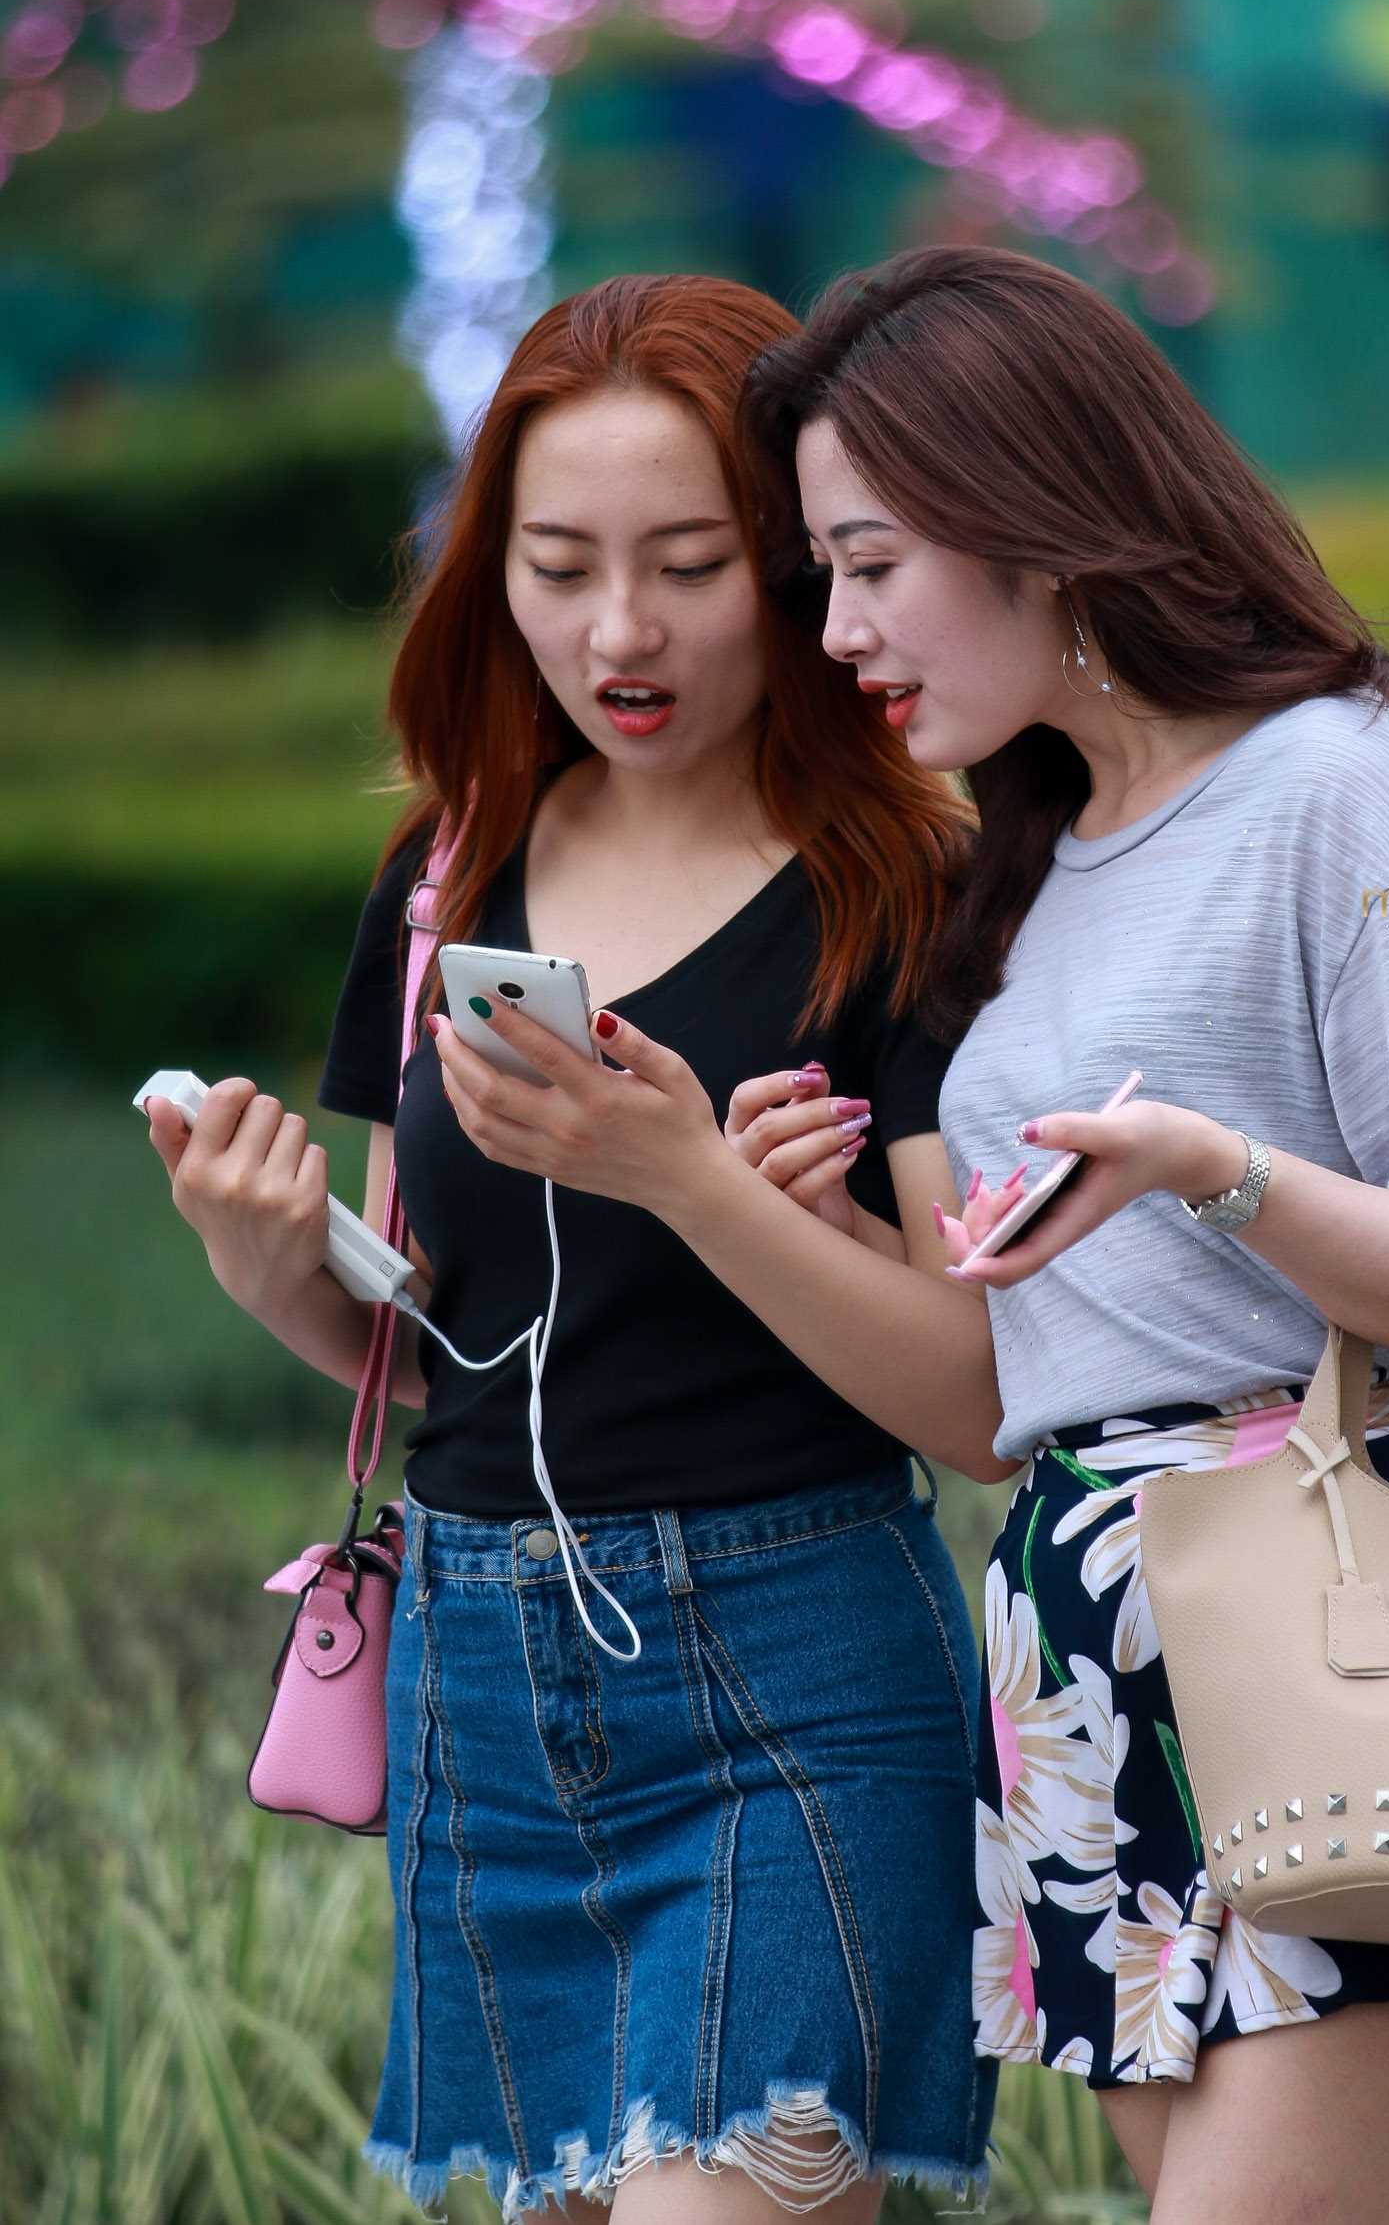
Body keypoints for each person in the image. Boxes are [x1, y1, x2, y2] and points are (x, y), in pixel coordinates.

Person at [739, 243, 1389, 2225]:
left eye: (871, 563)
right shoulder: (1028, 862)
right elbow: (1016, 1378)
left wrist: (1215, 1168)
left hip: (1356, 1611)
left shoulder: (1342, 783)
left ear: (1032, 516)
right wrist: (779, 1209)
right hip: (1090, 1649)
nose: (841, 627)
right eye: (821, 575)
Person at [141, 273, 1012, 2223]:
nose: (621, 631)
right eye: (559, 567)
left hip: (795, 1679)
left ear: (795, 564)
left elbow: (979, 1404)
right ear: (493, 578)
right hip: (481, 1690)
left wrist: (690, 1178)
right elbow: (442, 1353)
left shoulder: (911, 890)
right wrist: (265, 1261)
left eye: (689, 566)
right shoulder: (450, 873)